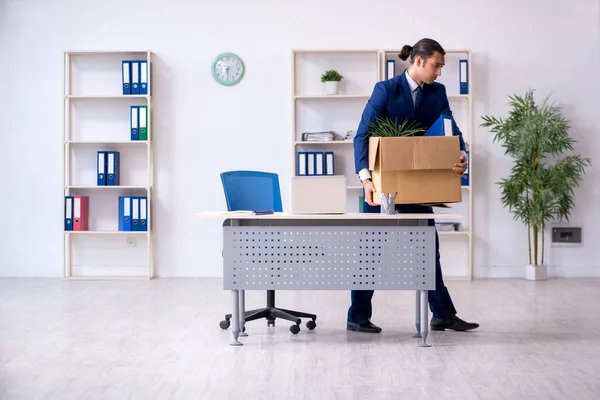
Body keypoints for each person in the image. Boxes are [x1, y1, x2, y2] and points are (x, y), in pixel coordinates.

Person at [347, 38, 479, 334]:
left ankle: (442, 314)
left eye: (442, 67)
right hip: (384, 185)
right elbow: (362, 135)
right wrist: (365, 179)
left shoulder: (438, 92)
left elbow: (452, 131)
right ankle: (357, 316)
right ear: (419, 61)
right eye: (437, 65)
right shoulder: (386, 89)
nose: (440, 72)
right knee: (370, 250)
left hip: (420, 183)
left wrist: (461, 155)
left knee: (427, 249)